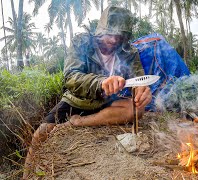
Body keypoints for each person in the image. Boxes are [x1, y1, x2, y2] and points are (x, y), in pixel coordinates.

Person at [23, 6, 151, 178]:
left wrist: (142, 91)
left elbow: (139, 78)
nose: (113, 40)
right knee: (40, 134)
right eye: (109, 34)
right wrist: (100, 82)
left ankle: (78, 122)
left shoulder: (129, 51)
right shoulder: (81, 43)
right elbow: (71, 77)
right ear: (100, 30)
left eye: (118, 35)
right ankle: (26, 174)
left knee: (136, 109)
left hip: (107, 103)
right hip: (76, 100)